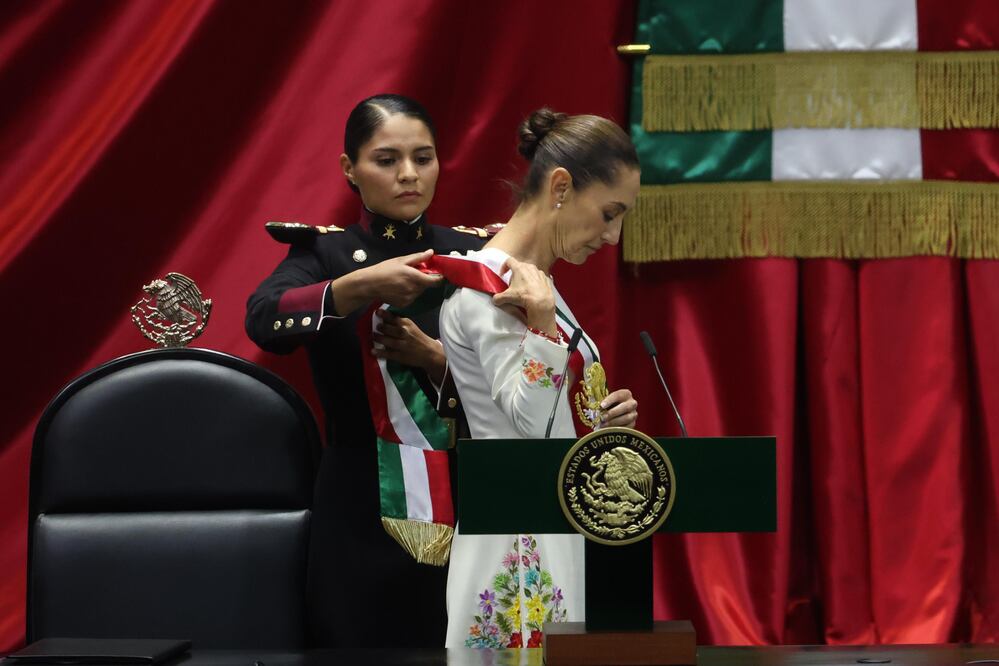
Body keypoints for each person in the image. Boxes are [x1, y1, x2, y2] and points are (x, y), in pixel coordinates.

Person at [245, 94, 487, 647]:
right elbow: (262, 319)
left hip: (469, 489)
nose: (409, 175)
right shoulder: (326, 256)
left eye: (423, 158)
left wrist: (438, 358)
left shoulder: (474, 255)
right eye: (386, 159)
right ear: (349, 169)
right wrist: (358, 288)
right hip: (359, 491)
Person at [438, 108, 642, 648]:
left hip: (553, 522)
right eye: (608, 213)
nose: (613, 236)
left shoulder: (537, 288)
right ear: (560, 187)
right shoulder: (485, 291)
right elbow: (528, 426)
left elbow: (555, 416)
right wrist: (545, 327)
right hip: (512, 539)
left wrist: (602, 421)